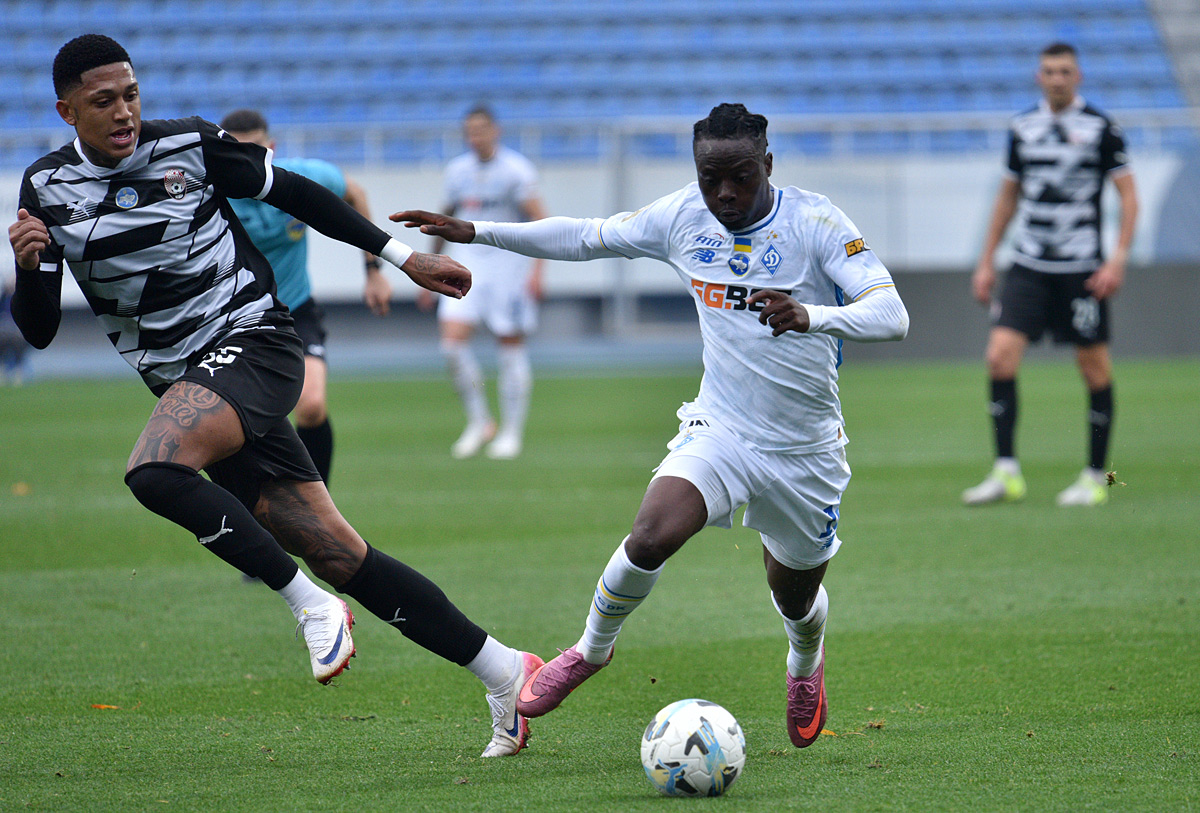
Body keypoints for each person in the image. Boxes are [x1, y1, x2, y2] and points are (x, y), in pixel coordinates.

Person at [8, 34, 541, 758]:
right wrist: (28, 265)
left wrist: (399, 256)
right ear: (67, 111)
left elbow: (297, 193)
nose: (125, 111)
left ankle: (311, 607)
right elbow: (38, 331)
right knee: (338, 550)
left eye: (131, 94)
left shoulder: (188, 145)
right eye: (104, 101)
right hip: (191, 383)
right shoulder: (45, 188)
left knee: (154, 470)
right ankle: (504, 670)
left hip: (254, 339)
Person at [395, 103, 910, 748]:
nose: (725, 194)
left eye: (742, 177)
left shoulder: (816, 222)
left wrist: (812, 315)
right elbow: (588, 236)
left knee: (795, 596)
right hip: (722, 427)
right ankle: (589, 651)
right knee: (650, 534)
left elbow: (892, 314)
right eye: (710, 179)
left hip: (806, 450)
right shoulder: (683, 217)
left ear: (769, 164)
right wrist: (475, 232)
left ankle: (805, 661)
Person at [964, 42, 1138, 508]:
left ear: (1078, 77)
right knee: (999, 357)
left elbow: (1128, 195)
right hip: (1028, 266)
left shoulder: (1101, 128)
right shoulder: (1023, 127)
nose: (1057, 78)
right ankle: (1006, 472)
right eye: (1049, 71)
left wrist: (1117, 258)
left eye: (1065, 71)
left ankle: (1096, 477)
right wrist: (987, 260)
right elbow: (1008, 196)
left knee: (1093, 368)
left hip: (1081, 270)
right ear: (1038, 77)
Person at [220, 108, 391, 485]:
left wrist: (373, 270)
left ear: (272, 148)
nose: (246, 162)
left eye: (255, 150)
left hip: (294, 309)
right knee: (235, 424)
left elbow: (355, 193)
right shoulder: (210, 191)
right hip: (232, 319)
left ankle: (318, 503)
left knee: (311, 405)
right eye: (237, 153)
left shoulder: (300, 178)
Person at [419, 106, 547, 459]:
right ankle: (480, 421)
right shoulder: (458, 172)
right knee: (451, 345)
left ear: (495, 131)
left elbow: (540, 221)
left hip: (508, 266)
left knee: (510, 347)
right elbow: (442, 221)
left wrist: (538, 271)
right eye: (469, 131)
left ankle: (512, 431)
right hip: (468, 263)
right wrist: (428, 268)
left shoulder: (517, 171)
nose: (475, 137)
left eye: (480, 130)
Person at [0, 273, 31, 385]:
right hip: (4, 329)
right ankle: (2, 371)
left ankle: (18, 372)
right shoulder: (4, 298)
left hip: (17, 331)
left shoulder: (21, 298)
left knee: (18, 342)